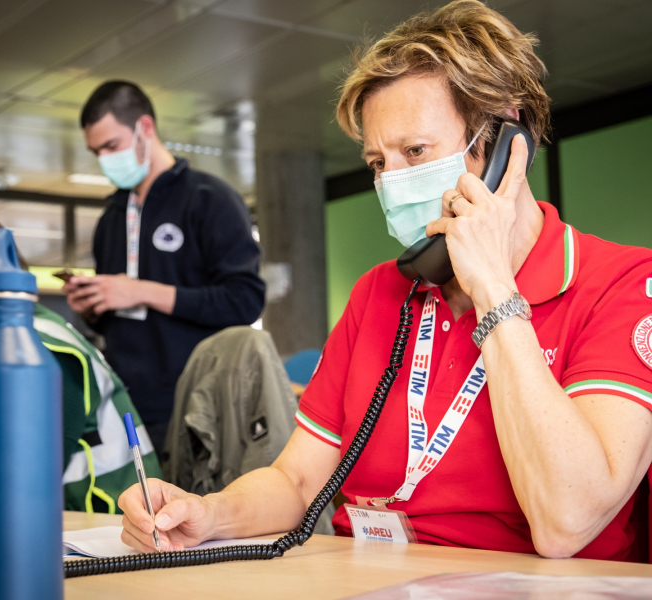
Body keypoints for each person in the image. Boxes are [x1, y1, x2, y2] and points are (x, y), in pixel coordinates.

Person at [118, 0, 652, 560]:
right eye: (378, 163)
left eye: (415, 151)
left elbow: (568, 523)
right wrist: (209, 514)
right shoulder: (379, 293)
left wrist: (494, 289)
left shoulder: (621, 284)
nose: (391, 184)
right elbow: (297, 481)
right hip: (366, 577)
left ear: (505, 144)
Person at [64, 81, 265, 455]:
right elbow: (119, 322)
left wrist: (140, 290)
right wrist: (93, 306)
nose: (105, 159)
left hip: (200, 407)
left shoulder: (210, 199)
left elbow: (245, 301)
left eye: (112, 146)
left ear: (145, 128)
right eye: (96, 151)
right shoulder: (111, 218)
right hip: (126, 409)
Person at [0, 214, 162, 513]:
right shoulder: (11, 343)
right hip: (74, 515)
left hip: (110, 519)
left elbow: (22, 475)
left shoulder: (39, 349)